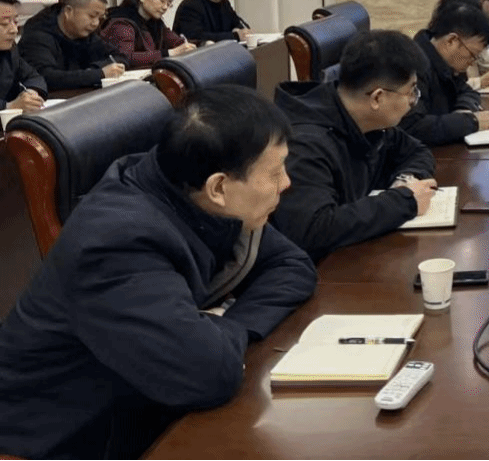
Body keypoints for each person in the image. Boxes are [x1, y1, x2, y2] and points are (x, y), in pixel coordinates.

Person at [0, 87, 317, 460]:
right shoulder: (116, 243)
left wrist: (227, 325)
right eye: (275, 173)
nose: (287, 184)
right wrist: (214, 335)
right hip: (57, 440)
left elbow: (292, 266)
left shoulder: (189, 187)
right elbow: (207, 374)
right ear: (219, 186)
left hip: (141, 409)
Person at [271, 29, 438, 261]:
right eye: (411, 92)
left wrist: (405, 180)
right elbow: (312, 230)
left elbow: (417, 151)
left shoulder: (366, 118)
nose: (413, 102)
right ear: (377, 98)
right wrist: (403, 201)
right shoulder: (305, 143)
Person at [400, 0, 489, 147]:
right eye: (472, 55)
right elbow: (413, 128)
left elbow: (467, 91)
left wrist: (464, 110)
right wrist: (470, 122)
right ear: (451, 41)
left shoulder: (445, 63)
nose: (472, 62)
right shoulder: (413, 67)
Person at [17, 0, 126, 90]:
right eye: (92, 16)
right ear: (68, 11)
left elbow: (119, 57)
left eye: (100, 18)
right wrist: (98, 74)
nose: (96, 23)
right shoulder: (38, 35)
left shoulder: (86, 32)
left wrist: (95, 70)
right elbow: (46, 77)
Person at [100, 0, 199, 69]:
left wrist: (198, 45)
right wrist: (169, 53)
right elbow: (126, 57)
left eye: (169, 3)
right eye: (162, 0)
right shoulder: (121, 22)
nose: (165, 7)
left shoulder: (155, 22)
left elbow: (175, 41)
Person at [0, 0, 46, 112]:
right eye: (4, 23)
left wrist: (31, 94)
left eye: (15, 21)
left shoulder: (10, 50)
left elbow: (33, 76)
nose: (14, 30)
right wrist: (9, 107)